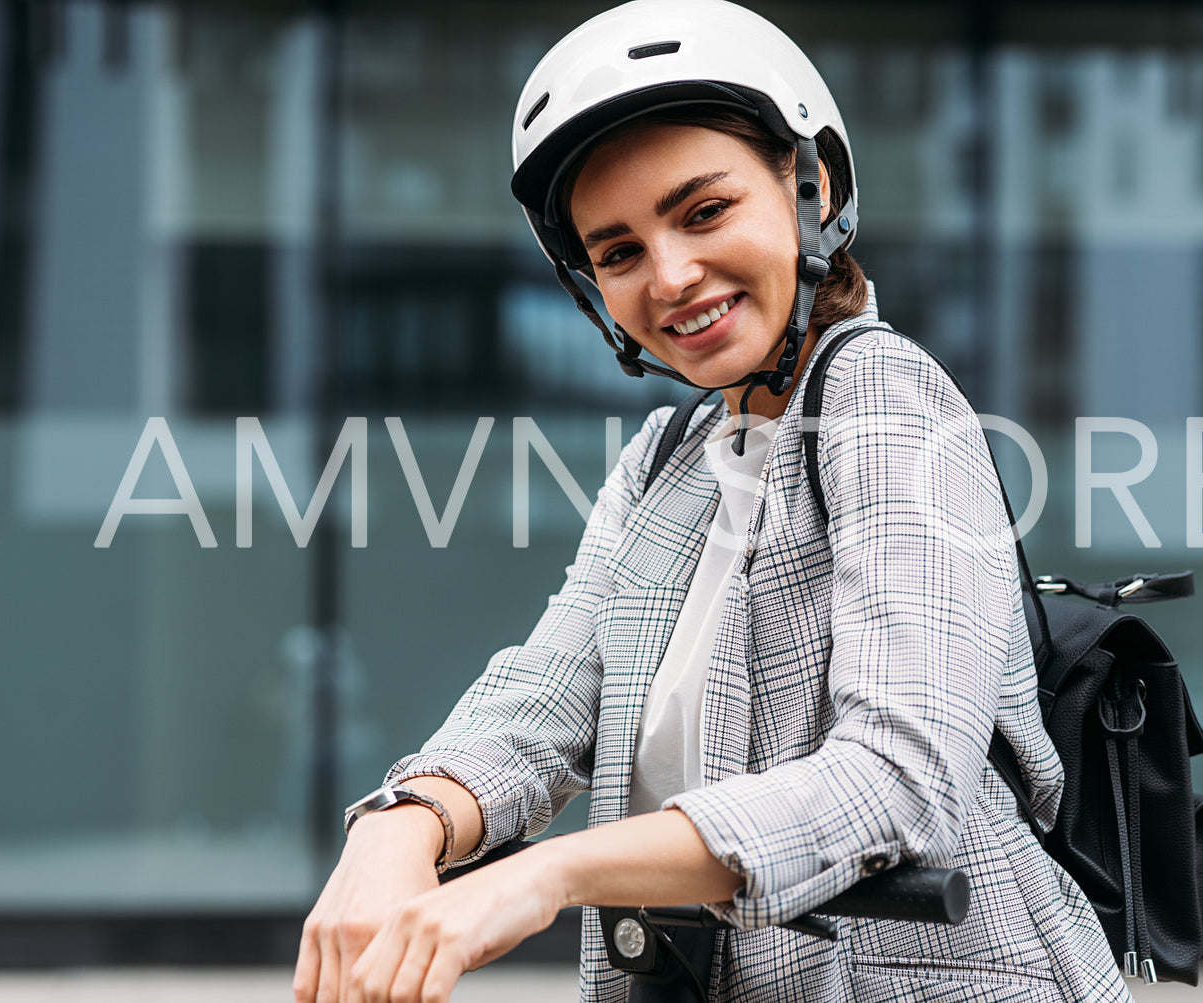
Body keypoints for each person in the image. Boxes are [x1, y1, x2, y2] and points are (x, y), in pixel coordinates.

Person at [294, 2, 1131, 1001]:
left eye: (702, 211)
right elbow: (546, 699)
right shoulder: (671, 453)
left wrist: (550, 873)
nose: (671, 275)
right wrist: (400, 821)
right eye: (617, 252)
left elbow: (899, 779)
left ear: (809, 189)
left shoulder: (881, 394)